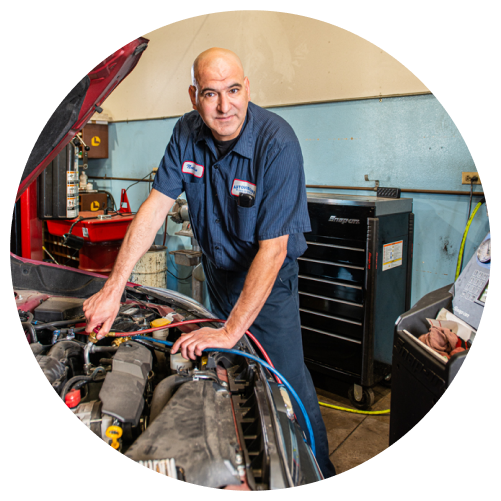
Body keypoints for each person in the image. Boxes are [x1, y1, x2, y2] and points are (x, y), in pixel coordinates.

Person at [83, 47, 336, 486]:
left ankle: (324, 480)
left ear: (247, 88)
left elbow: (273, 251)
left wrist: (230, 330)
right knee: (235, 380)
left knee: (288, 387)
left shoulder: (277, 143)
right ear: (193, 96)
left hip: (269, 288)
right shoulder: (186, 133)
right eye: (211, 94)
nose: (224, 106)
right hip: (219, 280)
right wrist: (114, 288)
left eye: (234, 90)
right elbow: (155, 207)